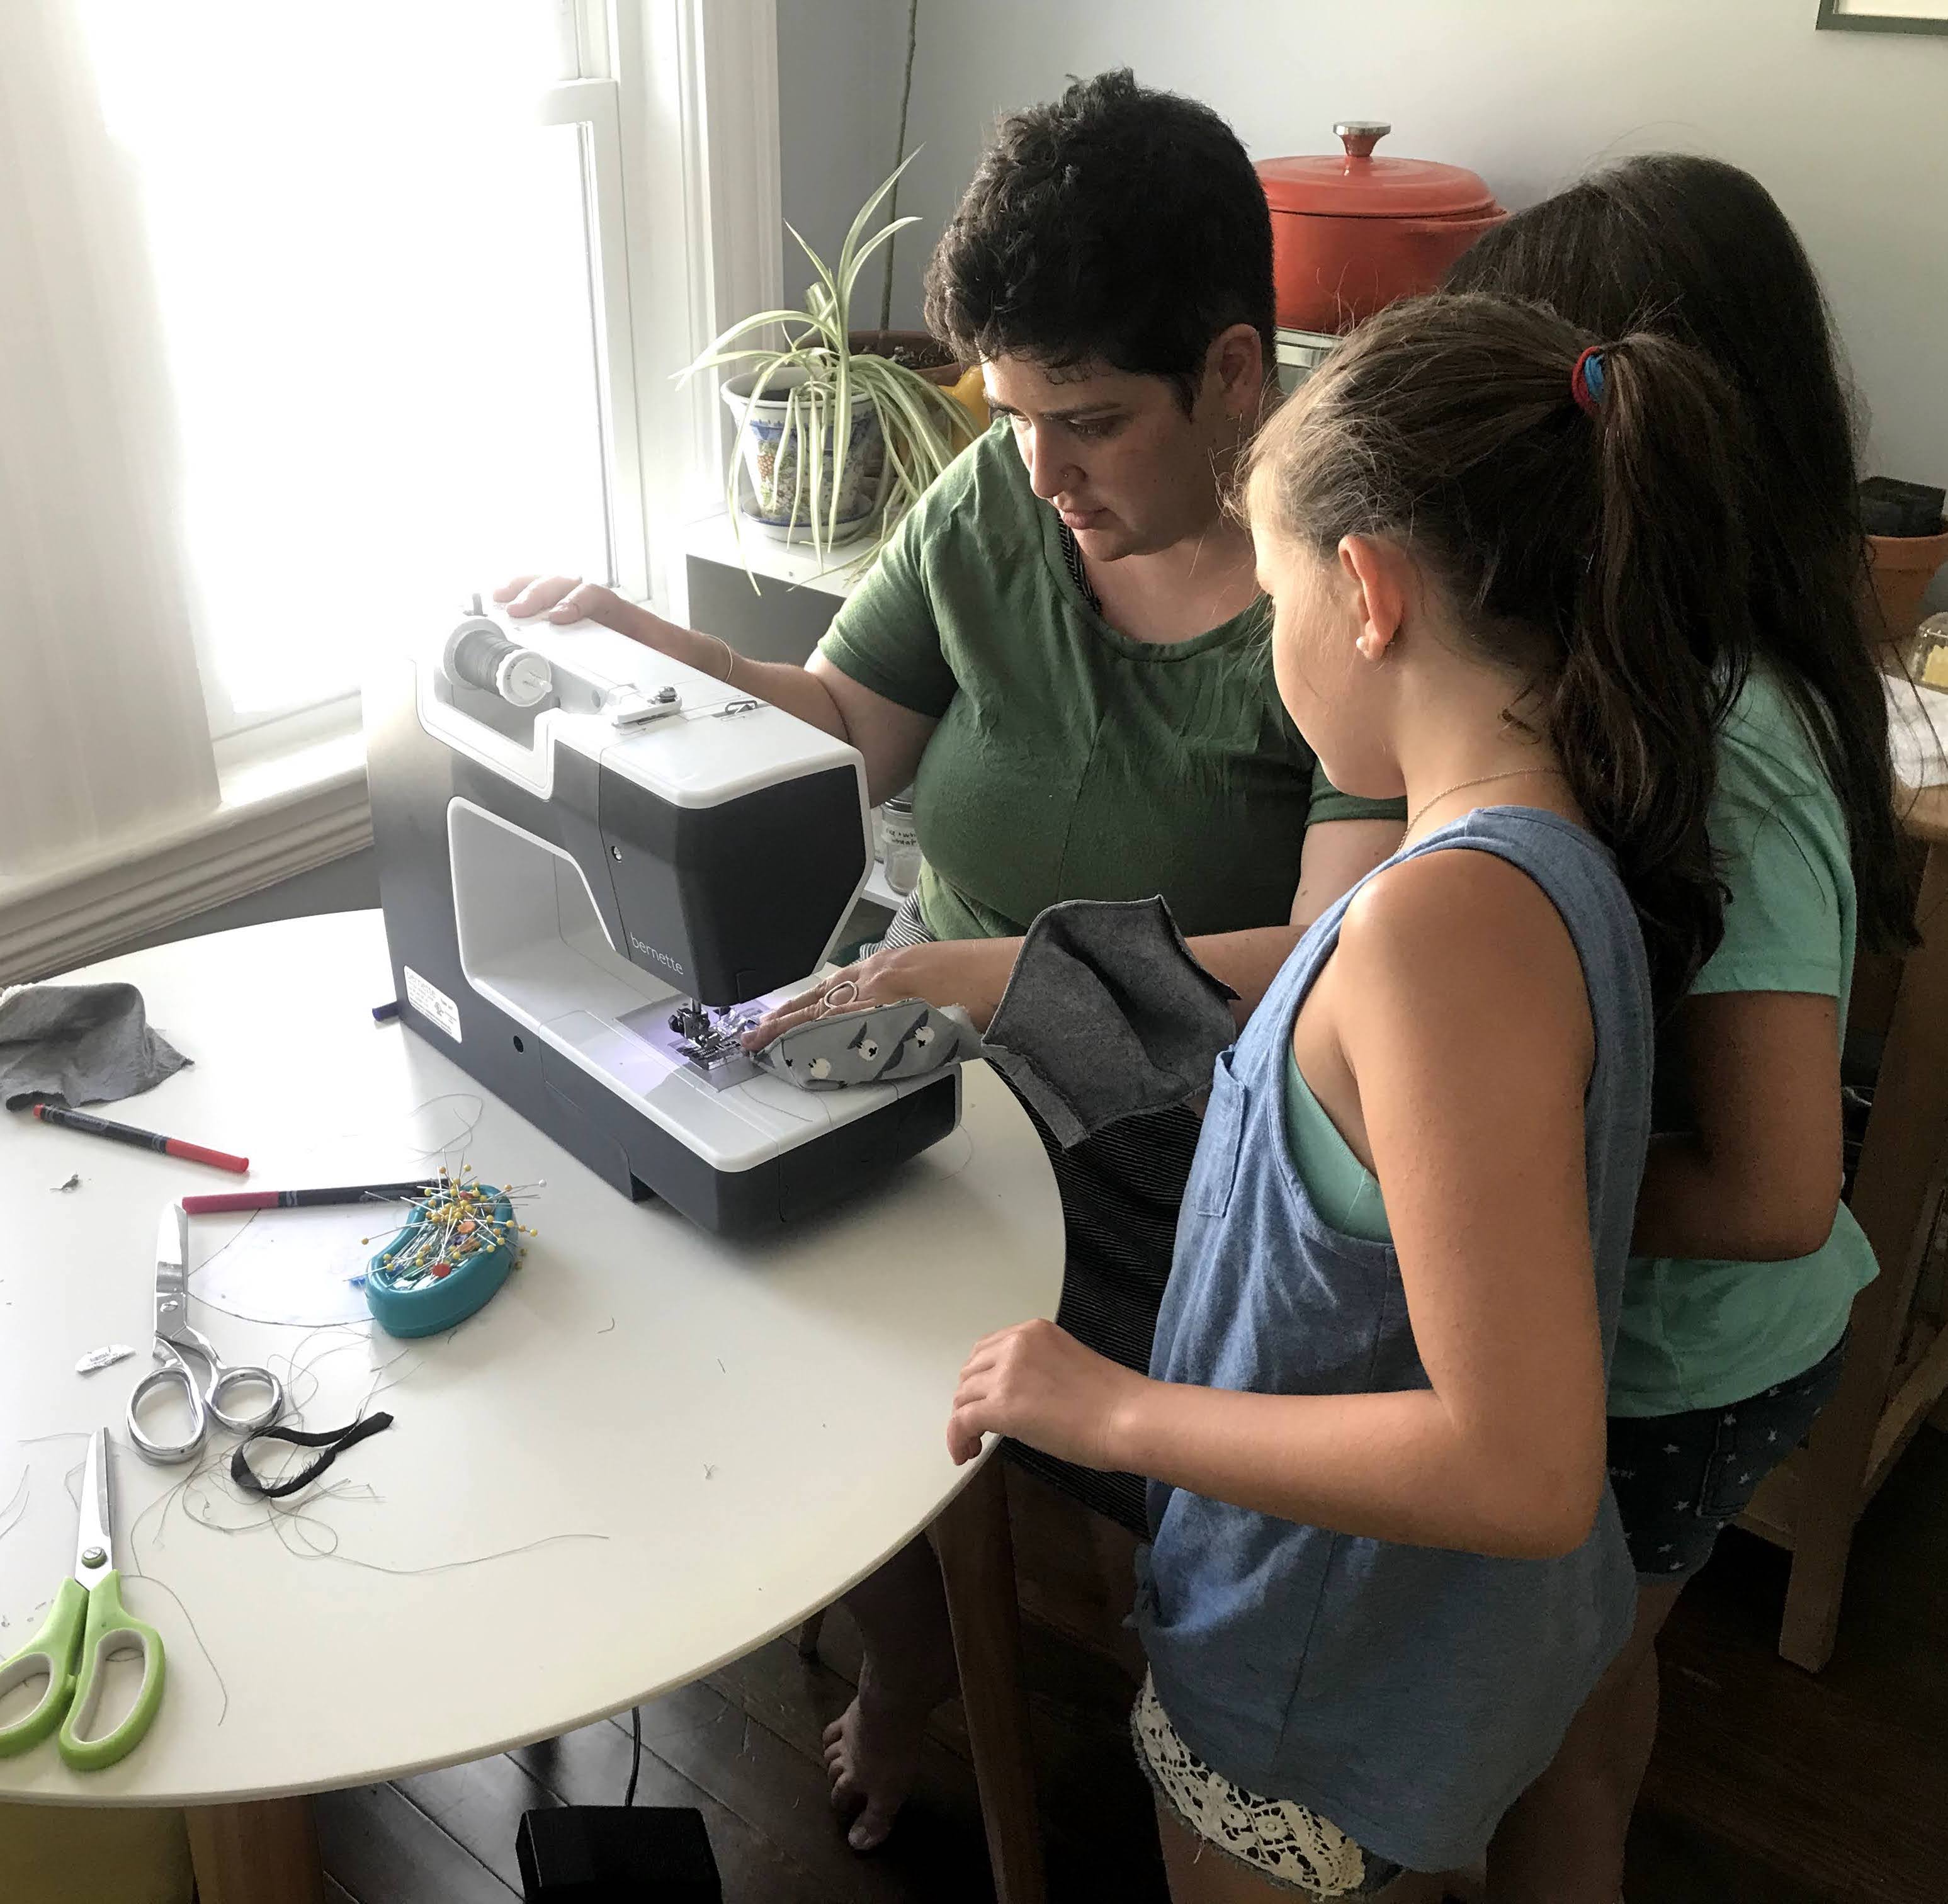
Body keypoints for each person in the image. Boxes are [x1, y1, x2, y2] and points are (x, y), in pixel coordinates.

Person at [498, 71, 1405, 1849]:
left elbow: (1322, 968)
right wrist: (647, 646)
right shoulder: (1004, 495)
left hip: (1183, 1121)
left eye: (1085, 421)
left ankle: (1170, 1683)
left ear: (1233, 372)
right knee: (749, 1281)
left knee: (1074, 1410)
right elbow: (846, 724)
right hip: (945, 1052)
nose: (1038, 467)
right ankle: (909, 1656)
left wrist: (1003, 979)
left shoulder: (1347, 575)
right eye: (1010, 415)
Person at [948, 288, 1755, 1901]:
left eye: (1270, 590)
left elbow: (1516, 1466)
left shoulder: (1434, 928)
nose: (1269, 634)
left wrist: (1098, 1407)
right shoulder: (1550, 849)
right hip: (1409, 1642)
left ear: (1367, 594)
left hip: (1322, 1667)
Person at [1445, 155, 1915, 1903]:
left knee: (1550, 1713)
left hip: (1687, 1350)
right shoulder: (1637, 678)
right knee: (1584, 1680)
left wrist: (1505, 1203)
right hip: (1634, 1327)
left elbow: (1781, 1187)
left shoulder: (1745, 749)